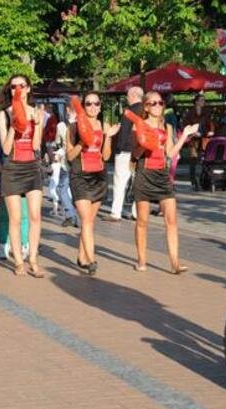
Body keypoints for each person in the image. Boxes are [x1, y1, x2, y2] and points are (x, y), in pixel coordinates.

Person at [132, 91, 198, 274]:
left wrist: (184, 135)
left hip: (162, 176)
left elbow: (170, 153)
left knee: (171, 220)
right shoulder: (139, 125)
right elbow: (135, 155)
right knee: (143, 222)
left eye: (160, 103)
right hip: (144, 174)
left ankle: (175, 263)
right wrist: (144, 145)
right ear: (146, 107)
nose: (157, 106)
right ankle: (142, 260)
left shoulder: (167, 126)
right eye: (153, 103)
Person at [67, 92, 120, 275]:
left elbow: (105, 156)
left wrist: (109, 136)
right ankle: (91, 259)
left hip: (98, 177)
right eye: (88, 104)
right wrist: (83, 141)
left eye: (96, 104)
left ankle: (82, 257)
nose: (92, 107)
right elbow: (69, 155)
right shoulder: (73, 127)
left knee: (89, 221)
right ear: (83, 106)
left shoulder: (103, 125)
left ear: (100, 106)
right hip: (80, 177)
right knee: (85, 220)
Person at [0, 74, 45, 277]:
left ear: (28, 89)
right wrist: (13, 127)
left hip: (32, 167)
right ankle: (18, 261)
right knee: (15, 218)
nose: (17, 89)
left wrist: (39, 124)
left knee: (35, 215)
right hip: (12, 168)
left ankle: (32, 258)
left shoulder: (36, 112)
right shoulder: (4, 114)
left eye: (21, 86)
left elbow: (36, 146)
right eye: (13, 86)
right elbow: (6, 149)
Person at [0, 125, 30, 260]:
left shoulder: (26, 137)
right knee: (5, 215)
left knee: (23, 215)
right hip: (5, 183)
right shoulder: (0, 137)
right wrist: (3, 173)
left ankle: (24, 244)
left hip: (23, 181)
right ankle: (3, 244)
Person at [108, 86, 143, 221]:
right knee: (137, 182)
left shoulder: (129, 112)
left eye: (128, 96)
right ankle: (135, 212)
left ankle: (116, 212)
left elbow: (124, 133)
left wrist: (119, 148)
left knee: (120, 181)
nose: (127, 98)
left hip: (126, 150)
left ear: (133, 95)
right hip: (139, 150)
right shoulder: (145, 111)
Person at [182, 94, 214, 190]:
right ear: (196, 102)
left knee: (203, 160)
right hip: (193, 139)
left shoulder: (206, 112)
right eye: (201, 100)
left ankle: (203, 180)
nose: (203, 102)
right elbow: (185, 124)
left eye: (204, 100)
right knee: (193, 160)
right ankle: (193, 182)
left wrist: (211, 130)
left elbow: (210, 123)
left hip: (204, 138)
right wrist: (192, 132)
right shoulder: (190, 112)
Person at [55, 103, 79, 228]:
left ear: (67, 109)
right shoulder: (83, 124)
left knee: (61, 188)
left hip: (66, 162)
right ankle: (79, 218)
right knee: (78, 191)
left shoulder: (61, 125)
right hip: (80, 162)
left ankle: (71, 214)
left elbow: (58, 143)